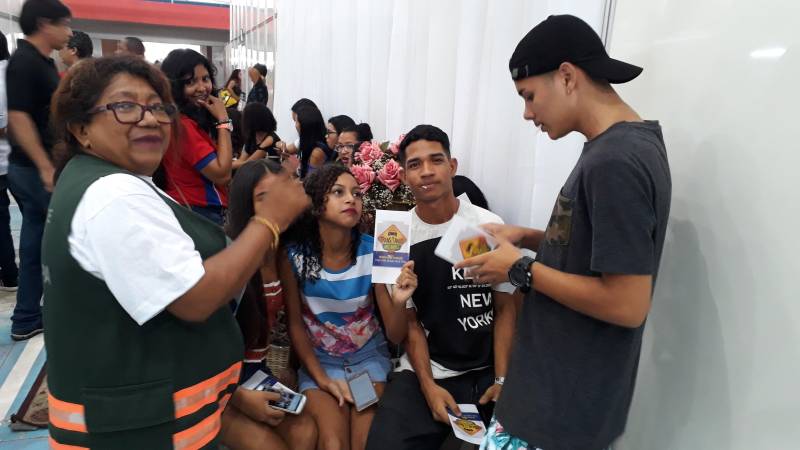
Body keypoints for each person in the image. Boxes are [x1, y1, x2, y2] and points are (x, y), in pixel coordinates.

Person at [44, 55, 310, 449]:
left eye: (157, 107)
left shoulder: (110, 182)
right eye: (125, 106)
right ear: (81, 128)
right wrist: (269, 221)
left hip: (159, 415)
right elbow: (195, 298)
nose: (149, 119)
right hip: (137, 428)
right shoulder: (113, 195)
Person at [454, 15, 672, 450]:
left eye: (529, 95)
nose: (527, 112)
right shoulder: (617, 148)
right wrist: (532, 238)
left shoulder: (615, 161)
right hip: (553, 392)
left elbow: (628, 303)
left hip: (559, 410)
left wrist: (520, 268)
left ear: (568, 76)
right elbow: (597, 246)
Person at [365, 125, 517, 450]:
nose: (427, 172)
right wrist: (429, 386)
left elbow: (504, 307)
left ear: (452, 166)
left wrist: (503, 379)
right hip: (426, 368)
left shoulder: (485, 224)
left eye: (436, 160)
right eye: (415, 165)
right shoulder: (394, 236)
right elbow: (404, 328)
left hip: (486, 370)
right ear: (404, 175)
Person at [280, 163, 417, 450]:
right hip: (320, 364)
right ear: (317, 204)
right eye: (338, 192)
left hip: (367, 362)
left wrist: (401, 301)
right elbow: (295, 324)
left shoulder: (375, 250)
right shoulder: (294, 255)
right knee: (332, 444)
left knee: (364, 442)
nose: (351, 199)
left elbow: (394, 335)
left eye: (356, 193)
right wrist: (321, 378)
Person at [221, 159, 317, 450]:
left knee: (306, 432)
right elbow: (197, 352)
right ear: (245, 204)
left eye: (282, 192)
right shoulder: (229, 256)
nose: (276, 204)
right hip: (218, 385)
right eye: (263, 197)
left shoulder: (285, 253)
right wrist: (237, 395)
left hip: (258, 373)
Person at [6, 0, 72, 341]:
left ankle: (27, 317)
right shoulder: (24, 62)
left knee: (35, 243)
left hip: (35, 168)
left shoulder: (43, 61)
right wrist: (45, 166)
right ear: (45, 23)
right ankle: (51, 312)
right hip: (32, 169)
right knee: (66, 238)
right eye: (65, 24)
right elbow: (19, 118)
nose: (69, 32)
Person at [160, 49, 233, 225]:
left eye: (205, 79)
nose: (202, 88)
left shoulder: (187, 119)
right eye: (191, 82)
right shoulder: (183, 126)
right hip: (198, 211)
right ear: (175, 86)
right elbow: (222, 174)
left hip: (191, 208)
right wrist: (223, 120)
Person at [0, 34, 18, 292]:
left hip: (7, 160)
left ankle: (11, 275)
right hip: (18, 158)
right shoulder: (12, 71)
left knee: (2, 219)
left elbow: (3, 124)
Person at [234, 102, 282, 170]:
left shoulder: (270, 138)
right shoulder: (252, 136)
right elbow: (242, 160)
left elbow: (249, 163)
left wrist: (225, 166)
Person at [295, 106, 333, 178]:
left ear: (303, 125)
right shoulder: (312, 144)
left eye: (296, 121)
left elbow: (310, 184)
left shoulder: (317, 152)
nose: (295, 125)